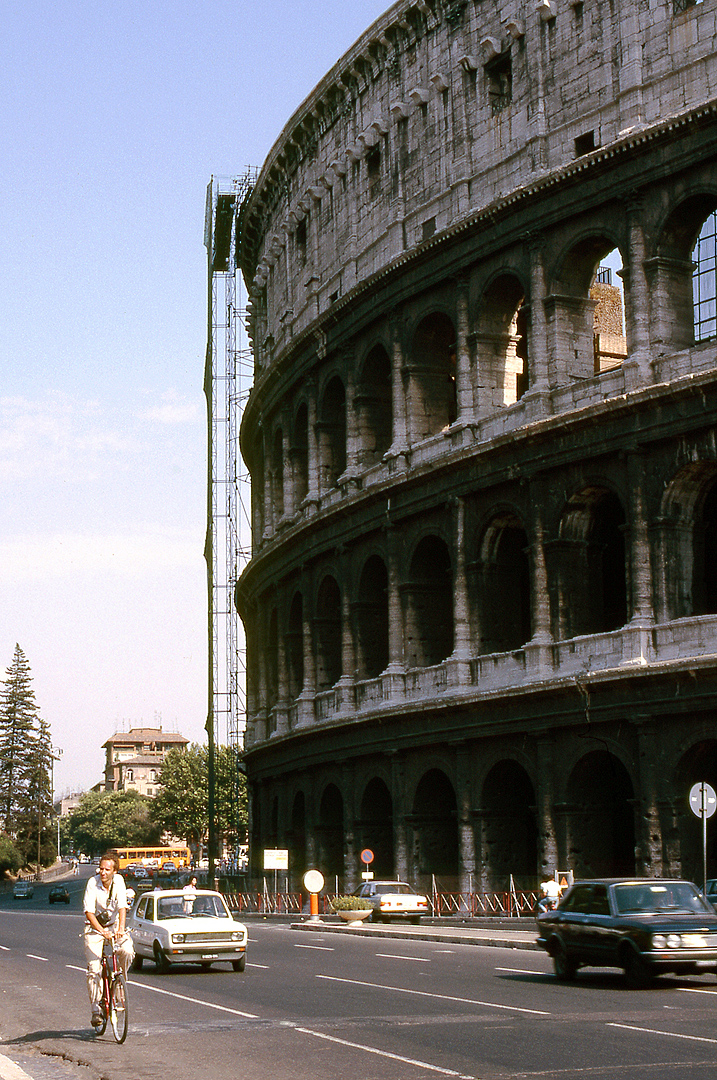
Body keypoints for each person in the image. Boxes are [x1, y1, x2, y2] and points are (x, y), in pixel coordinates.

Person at [83, 851, 134, 1029]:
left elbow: (122, 907)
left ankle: (120, 982)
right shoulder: (92, 883)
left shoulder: (119, 881)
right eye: (101, 869)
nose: (102, 872)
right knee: (94, 969)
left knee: (127, 950)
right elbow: (89, 912)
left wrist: (120, 928)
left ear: (114, 871)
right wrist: (101, 931)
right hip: (95, 928)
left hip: (113, 927)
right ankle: (96, 1009)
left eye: (107, 869)